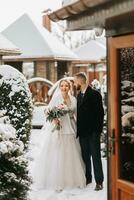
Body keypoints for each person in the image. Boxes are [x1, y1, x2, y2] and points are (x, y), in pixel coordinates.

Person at [33, 80, 86, 191]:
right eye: (62, 86)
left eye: (66, 86)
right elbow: (48, 111)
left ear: (69, 87)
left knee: (72, 153)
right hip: (60, 128)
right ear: (59, 87)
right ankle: (58, 181)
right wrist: (55, 120)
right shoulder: (56, 98)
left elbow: (77, 114)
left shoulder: (73, 99)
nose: (64, 88)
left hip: (71, 126)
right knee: (59, 153)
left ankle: (73, 180)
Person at [74, 72, 104, 191]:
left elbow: (100, 114)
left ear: (81, 81)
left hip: (93, 132)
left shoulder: (95, 94)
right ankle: (88, 178)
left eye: (75, 81)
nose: (74, 83)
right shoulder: (79, 95)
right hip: (82, 133)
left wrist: (97, 131)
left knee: (96, 157)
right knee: (85, 157)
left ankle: (99, 181)